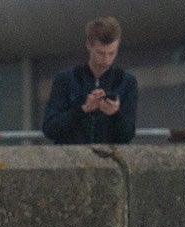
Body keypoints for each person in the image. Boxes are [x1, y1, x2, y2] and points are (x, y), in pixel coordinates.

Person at [41, 17, 138, 145]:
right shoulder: (65, 79)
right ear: (88, 45)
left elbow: (127, 135)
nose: (107, 60)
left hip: (109, 161)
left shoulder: (127, 82)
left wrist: (115, 115)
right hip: (72, 161)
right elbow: (49, 129)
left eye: (112, 53)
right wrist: (83, 110)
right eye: (100, 53)